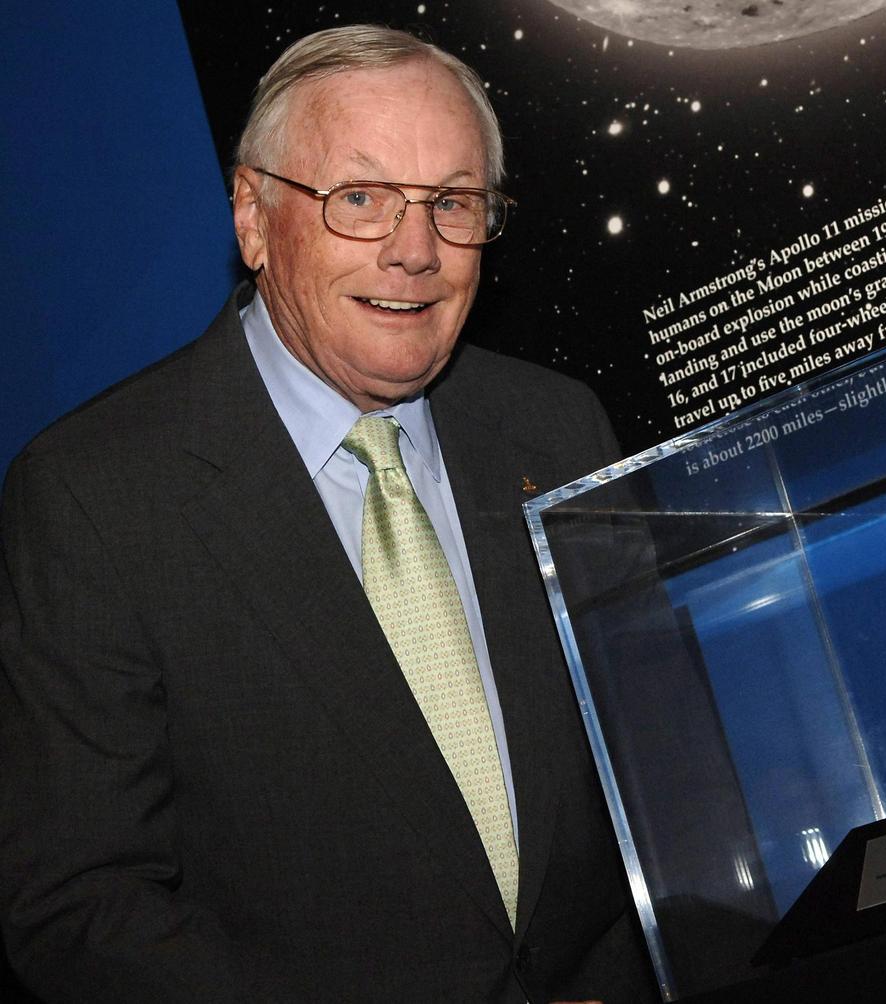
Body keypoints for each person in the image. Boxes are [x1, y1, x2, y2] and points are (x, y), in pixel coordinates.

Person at [0, 24, 656, 1004]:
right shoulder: (95, 496)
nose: (414, 250)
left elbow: (656, 772)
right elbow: (85, 905)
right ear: (253, 218)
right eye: (360, 199)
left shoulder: (556, 429)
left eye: (451, 203)